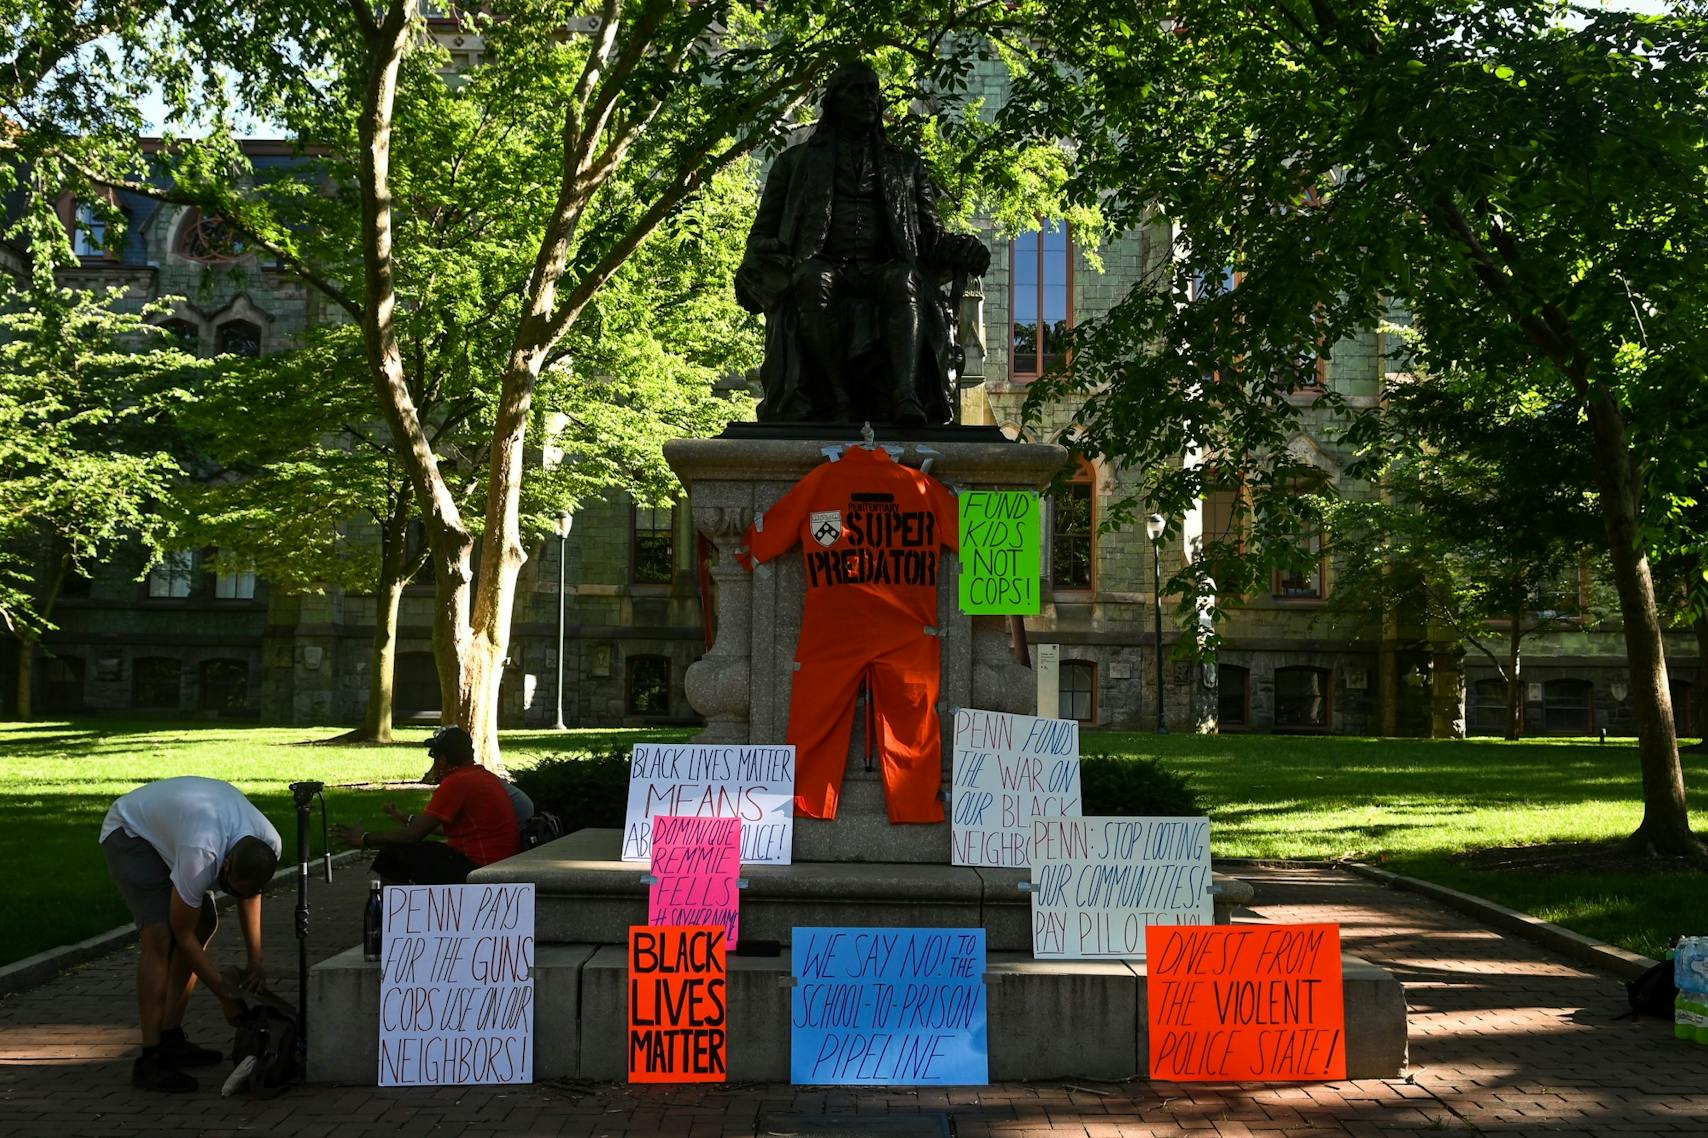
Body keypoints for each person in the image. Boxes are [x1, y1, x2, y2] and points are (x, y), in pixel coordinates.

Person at [737, 59, 990, 425]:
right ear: (834, 102)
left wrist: (965, 249)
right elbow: (761, 234)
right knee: (811, 280)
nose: (868, 99)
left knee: (905, 278)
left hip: (881, 268)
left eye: (873, 92)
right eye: (857, 91)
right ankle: (837, 396)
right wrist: (767, 254)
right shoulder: (795, 164)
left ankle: (906, 396)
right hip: (824, 264)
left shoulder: (906, 167)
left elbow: (931, 238)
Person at [99, 776, 281, 1093]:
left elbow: (250, 894)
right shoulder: (203, 850)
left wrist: (256, 960)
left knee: (204, 923)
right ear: (224, 865)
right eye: (228, 887)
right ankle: (150, 1060)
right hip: (130, 833)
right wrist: (225, 995)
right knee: (160, 938)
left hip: (180, 825)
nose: (231, 893)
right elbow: (182, 934)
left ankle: (170, 1037)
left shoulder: (268, 844)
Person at [333, 725, 520, 884]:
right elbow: (447, 828)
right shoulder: (482, 776)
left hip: (478, 866)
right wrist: (404, 817)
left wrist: (365, 839)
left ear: (443, 760)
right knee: (427, 852)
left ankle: (396, 919)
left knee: (392, 855)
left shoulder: (457, 782)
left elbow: (412, 836)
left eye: (435, 757)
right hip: (499, 860)